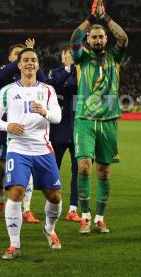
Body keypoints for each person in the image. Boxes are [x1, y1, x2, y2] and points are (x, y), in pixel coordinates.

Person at [0, 48, 62, 260]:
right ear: (19, 65)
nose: (30, 63)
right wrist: (8, 126)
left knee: (55, 196)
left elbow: (57, 117)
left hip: (42, 149)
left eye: (34, 60)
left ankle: (49, 229)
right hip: (18, 149)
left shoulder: (48, 90)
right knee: (16, 192)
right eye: (26, 60)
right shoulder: (8, 91)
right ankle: (14, 244)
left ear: (38, 65)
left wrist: (45, 112)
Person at [69, 0, 128, 234]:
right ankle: (84, 216)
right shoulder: (81, 57)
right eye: (94, 37)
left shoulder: (115, 56)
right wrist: (91, 17)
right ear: (89, 39)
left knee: (104, 171)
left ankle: (100, 218)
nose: (98, 39)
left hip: (109, 119)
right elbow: (74, 39)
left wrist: (106, 19)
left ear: (105, 38)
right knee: (84, 167)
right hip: (84, 118)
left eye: (101, 36)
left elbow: (123, 38)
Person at [0, 40, 45, 223]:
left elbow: (43, 79)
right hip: (4, 129)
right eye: (18, 55)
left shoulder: (31, 79)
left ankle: (26, 208)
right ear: (11, 58)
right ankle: (0, 201)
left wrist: (30, 54)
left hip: (26, 132)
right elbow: (0, 76)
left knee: (26, 170)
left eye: (26, 56)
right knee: (2, 170)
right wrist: (19, 60)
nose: (23, 59)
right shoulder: (2, 74)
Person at [47, 46, 81, 222]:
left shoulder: (83, 71)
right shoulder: (55, 72)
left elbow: (77, 87)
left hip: (78, 129)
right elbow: (54, 85)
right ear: (62, 58)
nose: (70, 57)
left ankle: (73, 209)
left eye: (72, 55)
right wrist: (69, 70)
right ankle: (54, 206)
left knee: (78, 170)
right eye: (66, 55)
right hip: (58, 130)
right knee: (54, 170)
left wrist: (73, 73)